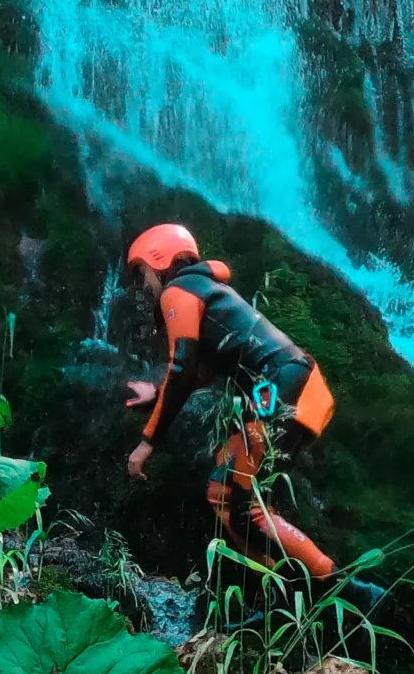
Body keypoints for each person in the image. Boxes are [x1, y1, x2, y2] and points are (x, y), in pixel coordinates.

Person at [122, 222, 347, 586]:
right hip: (296, 388)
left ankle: (343, 588)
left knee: (245, 505)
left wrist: (148, 441)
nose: (144, 284)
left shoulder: (178, 292)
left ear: (158, 260)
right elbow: (201, 372)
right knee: (225, 495)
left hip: (280, 387)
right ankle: (278, 593)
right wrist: (156, 394)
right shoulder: (207, 290)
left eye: (142, 272)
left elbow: (182, 369)